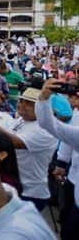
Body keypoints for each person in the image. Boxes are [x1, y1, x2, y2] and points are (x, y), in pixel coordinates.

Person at [0, 87, 57, 211]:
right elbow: (5, 135)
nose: (22, 105)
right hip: (13, 184)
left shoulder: (45, 128)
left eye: (29, 103)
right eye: (21, 101)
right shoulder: (21, 120)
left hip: (30, 192)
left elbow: (12, 142)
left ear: (42, 107)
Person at [36, 78, 79, 239]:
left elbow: (52, 126)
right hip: (73, 179)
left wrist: (44, 99)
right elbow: (69, 139)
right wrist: (62, 161)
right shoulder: (77, 114)